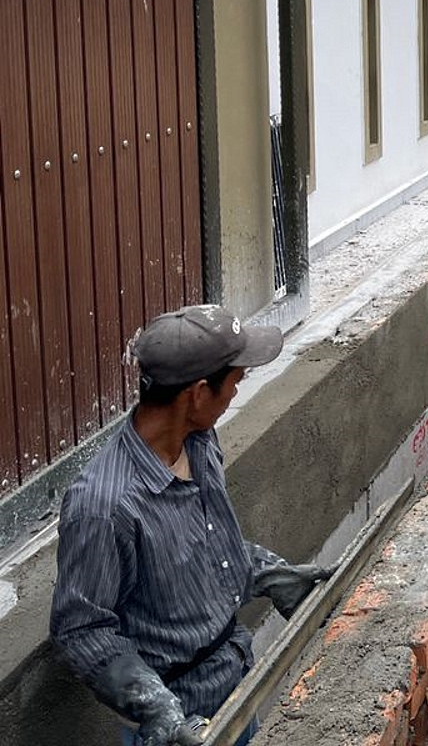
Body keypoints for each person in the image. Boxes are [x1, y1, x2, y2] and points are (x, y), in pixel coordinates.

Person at [51, 306, 332, 746]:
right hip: (177, 729)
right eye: (235, 383)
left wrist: (271, 574)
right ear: (199, 394)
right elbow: (81, 628)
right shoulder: (105, 506)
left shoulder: (199, 443)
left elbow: (206, 544)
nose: (236, 394)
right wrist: (154, 705)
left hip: (234, 688)